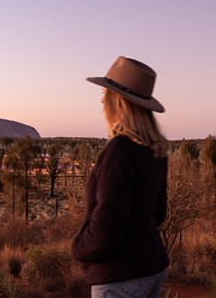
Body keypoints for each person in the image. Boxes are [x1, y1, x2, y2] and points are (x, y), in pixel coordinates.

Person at [72, 56, 169, 298]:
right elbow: (158, 213)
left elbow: (108, 225)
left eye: (107, 92)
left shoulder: (119, 151)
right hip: (152, 266)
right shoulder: (155, 149)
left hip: (121, 275)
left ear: (120, 102)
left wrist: (79, 247)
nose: (102, 98)